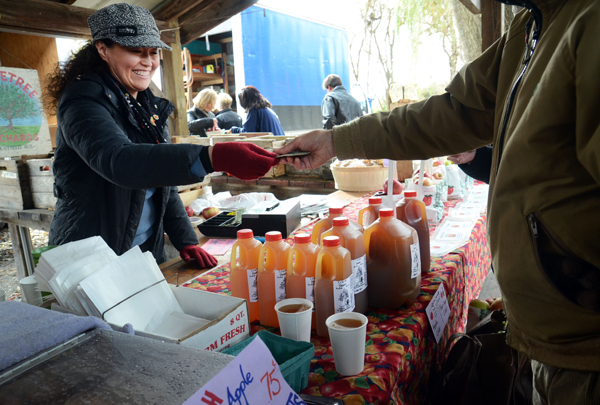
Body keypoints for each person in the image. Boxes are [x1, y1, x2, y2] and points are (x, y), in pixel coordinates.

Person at [277, 1, 600, 402]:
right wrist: (336, 141)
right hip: (552, 330)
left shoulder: (588, 21)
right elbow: (454, 113)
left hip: (586, 343)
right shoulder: (532, 24)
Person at [44, 3, 278, 268]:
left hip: (145, 252)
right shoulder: (82, 100)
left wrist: (185, 239)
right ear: (102, 49)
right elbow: (118, 160)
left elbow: (161, 184)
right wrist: (211, 156)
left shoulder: (148, 108)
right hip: (92, 256)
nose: (148, 62)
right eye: (135, 51)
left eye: (153, 52)